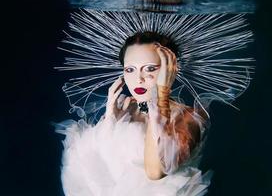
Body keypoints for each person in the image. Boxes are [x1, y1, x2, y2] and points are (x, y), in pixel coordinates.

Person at [58, 31, 212, 196]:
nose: (139, 78)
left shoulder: (189, 117)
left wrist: (162, 93)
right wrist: (109, 120)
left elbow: (155, 172)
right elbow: (92, 168)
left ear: (171, 70)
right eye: (130, 69)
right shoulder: (124, 108)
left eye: (150, 69)